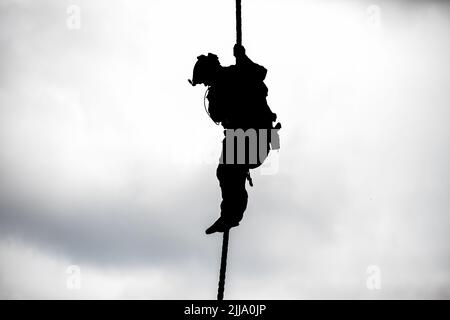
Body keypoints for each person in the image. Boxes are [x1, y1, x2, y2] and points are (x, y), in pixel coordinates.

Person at [189, 44, 280, 234]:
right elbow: (217, 116)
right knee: (226, 172)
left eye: (205, 79)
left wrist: (243, 57)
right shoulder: (217, 90)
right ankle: (228, 216)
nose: (207, 84)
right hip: (241, 139)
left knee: (230, 171)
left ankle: (230, 216)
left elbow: (259, 73)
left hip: (255, 136)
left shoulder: (236, 74)